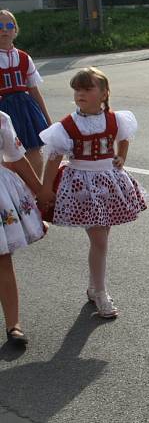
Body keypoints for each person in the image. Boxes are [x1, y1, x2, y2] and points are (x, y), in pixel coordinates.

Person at [38, 68, 147, 319]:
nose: (80, 94)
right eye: (77, 89)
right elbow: (53, 157)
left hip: (108, 182)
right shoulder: (66, 126)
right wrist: (45, 188)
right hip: (82, 186)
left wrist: (121, 157)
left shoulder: (115, 119)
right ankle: (100, 291)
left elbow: (125, 138)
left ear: (104, 93)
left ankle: (93, 286)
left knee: (101, 239)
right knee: (99, 241)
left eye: (87, 89)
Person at [0, 112, 46, 347]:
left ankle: (13, 325)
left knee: (3, 260)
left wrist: (41, 192)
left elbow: (16, 159)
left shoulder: (1, 118)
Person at [0, 9, 53, 177]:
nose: (5, 30)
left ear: (15, 30)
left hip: (26, 109)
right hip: (3, 110)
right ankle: (16, 194)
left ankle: (34, 193)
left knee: (34, 148)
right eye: (0, 26)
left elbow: (34, 90)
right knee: (9, 154)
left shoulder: (24, 57)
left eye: (9, 25)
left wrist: (47, 119)